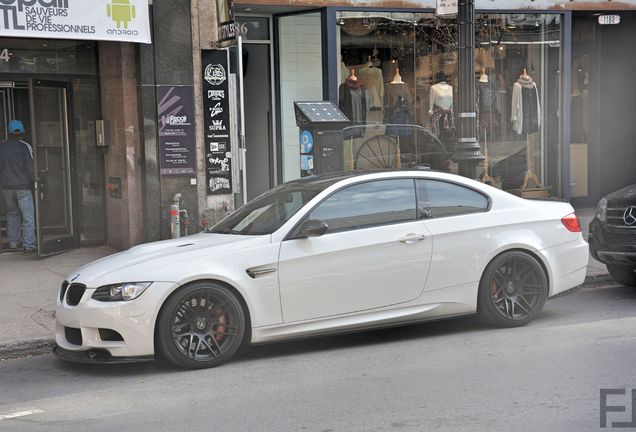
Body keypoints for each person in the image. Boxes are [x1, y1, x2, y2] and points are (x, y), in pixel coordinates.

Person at [0, 119, 36, 253]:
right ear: (22, 131)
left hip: (6, 187)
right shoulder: (25, 146)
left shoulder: (1, 146)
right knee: (28, 217)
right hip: (23, 187)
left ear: (9, 131)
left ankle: (13, 242)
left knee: (12, 214)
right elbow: (30, 168)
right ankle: (29, 245)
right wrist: (37, 183)